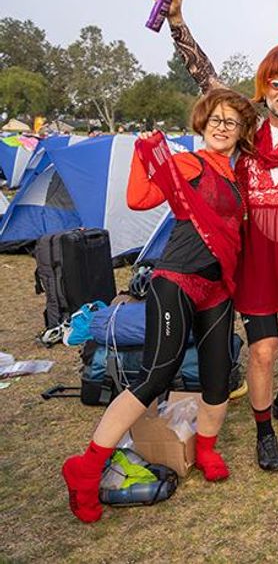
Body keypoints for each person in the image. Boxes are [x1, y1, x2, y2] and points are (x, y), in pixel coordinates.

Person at [163, 0, 278, 471]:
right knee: (262, 351)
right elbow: (207, 78)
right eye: (277, 84)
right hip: (257, 264)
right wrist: (177, 22)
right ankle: (264, 430)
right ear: (266, 88)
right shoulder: (248, 130)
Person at [61, 88, 257, 523]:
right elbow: (139, 199)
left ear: (242, 131)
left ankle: (205, 449)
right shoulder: (190, 163)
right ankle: (87, 468)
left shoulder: (237, 173)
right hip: (176, 281)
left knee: (218, 375)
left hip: (218, 289)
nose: (223, 127)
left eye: (232, 122)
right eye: (216, 120)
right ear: (202, 124)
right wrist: (141, 155)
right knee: (155, 375)